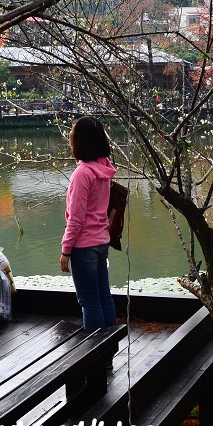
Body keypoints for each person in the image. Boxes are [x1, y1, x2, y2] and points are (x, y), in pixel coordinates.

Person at [59, 116, 117, 336]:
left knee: (89, 302)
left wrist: (66, 250)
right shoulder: (104, 169)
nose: (70, 135)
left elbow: (76, 218)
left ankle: (95, 355)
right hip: (101, 241)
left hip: (84, 246)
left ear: (81, 140)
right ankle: (108, 352)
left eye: (73, 131)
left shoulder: (82, 174)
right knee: (104, 297)